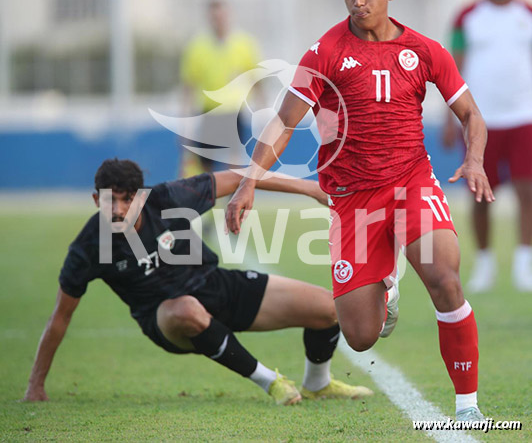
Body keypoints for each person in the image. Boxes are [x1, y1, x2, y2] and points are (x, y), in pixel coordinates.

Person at [226, 0, 494, 421]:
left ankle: (468, 406)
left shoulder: (424, 51)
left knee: (444, 277)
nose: (357, 0)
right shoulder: (326, 51)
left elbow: (472, 115)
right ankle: (387, 285)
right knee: (360, 335)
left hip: (413, 183)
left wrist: (474, 160)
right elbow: (284, 122)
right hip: (352, 201)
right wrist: (250, 180)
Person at [23, 158, 372, 405]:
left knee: (330, 307)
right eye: (109, 200)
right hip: (167, 319)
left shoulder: (166, 199)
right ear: (95, 199)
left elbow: (239, 177)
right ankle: (271, 381)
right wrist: (35, 385)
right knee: (187, 310)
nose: (117, 210)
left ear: (140, 197)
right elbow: (60, 318)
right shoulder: (88, 247)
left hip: (216, 286)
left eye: (126, 199)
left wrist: (311, 189)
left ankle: (318, 384)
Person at [443, 0, 532, 293]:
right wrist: (451, 118)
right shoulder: (467, 16)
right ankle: (484, 264)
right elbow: (454, 67)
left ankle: (525, 264)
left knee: (528, 192)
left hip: (524, 116)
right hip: (482, 120)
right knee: (480, 193)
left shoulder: (526, 12)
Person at [180, 0, 261, 175]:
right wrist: (185, 121)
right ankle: (207, 198)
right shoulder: (197, 47)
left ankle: (235, 200)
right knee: (206, 162)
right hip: (209, 110)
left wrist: (262, 110)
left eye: (222, 15)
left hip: (234, 110)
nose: (219, 20)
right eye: (215, 16)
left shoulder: (244, 44)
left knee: (234, 160)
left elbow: (256, 79)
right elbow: (189, 86)